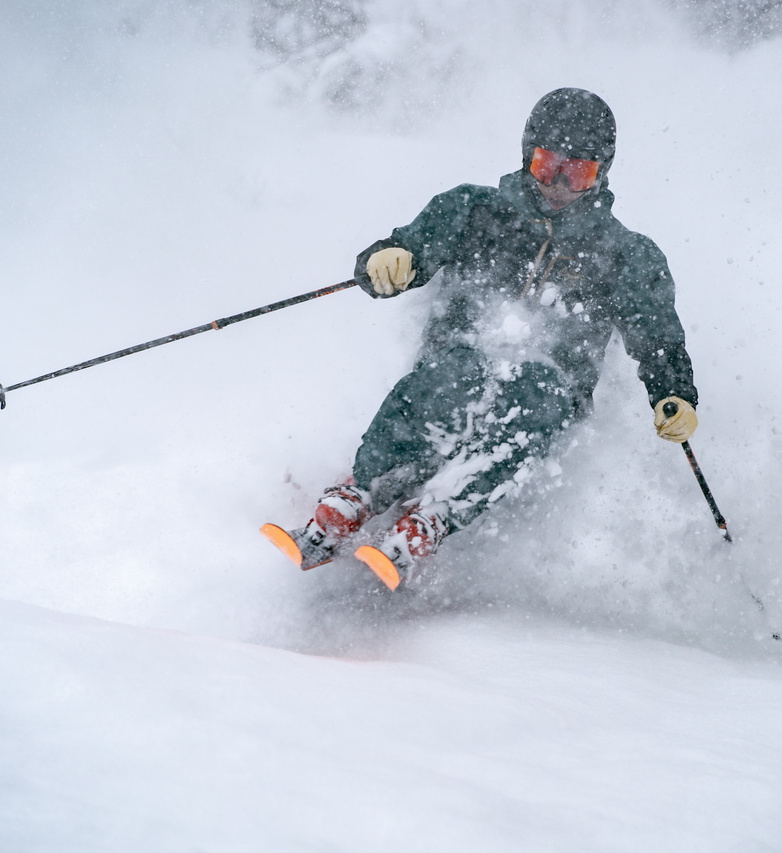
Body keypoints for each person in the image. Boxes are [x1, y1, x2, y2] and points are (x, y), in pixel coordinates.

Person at [261, 88, 700, 590]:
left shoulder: (625, 254)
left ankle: (434, 515)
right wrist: (390, 260)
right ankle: (362, 491)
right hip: (456, 362)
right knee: (458, 373)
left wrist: (673, 393)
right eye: (546, 166)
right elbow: (407, 249)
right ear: (527, 156)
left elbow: (656, 333)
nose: (559, 184)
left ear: (601, 173)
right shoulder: (473, 209)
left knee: (536, 388)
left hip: (552, 391)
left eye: (576, 173)